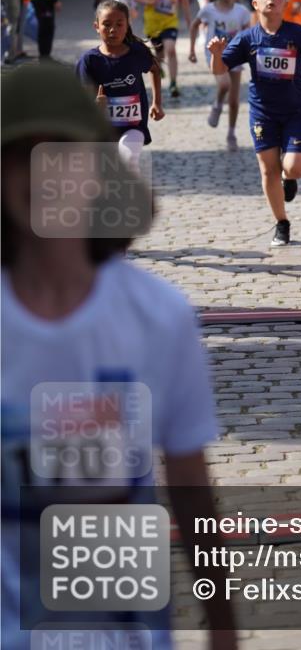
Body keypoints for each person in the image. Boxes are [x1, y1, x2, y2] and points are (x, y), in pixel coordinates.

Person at [0, 63, 236, 650]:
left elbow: (190, 483)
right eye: (20, 154)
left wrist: (223, 623)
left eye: (61, 153)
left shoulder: (159, 316)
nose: (42, 174)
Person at [208, 0, 301, 248]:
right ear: (255, 2)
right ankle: (282, 223)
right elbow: (219, 70)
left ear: (285, 1)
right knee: (268, 170)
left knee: (295, 167)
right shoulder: (247, 38)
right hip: (262, 114)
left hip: (295, 112)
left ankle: (290, 179)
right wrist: (217, 54)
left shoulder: (296, 33)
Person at [76, 0, 164, 171]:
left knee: (129, 160)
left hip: (133, 127)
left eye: (119, 24)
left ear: (127, 25)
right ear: (96, 27)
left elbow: (154, 69)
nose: (113, 30)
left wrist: (157, 103)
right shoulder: (89, 61)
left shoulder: (137, 52)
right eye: (106, 24)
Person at [188, 0, 250, 145]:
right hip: (215, 54)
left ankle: (231, 133)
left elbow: (248, 34)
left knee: (235, 101)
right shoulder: (209, 9)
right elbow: (194, 26)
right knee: (224, 84)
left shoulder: (242, 11)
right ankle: (217, 104)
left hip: (235, 55)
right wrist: (192, 50)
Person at [136, 0, 191, 99]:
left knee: (171, 49)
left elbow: (185, 4)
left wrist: (189, 21)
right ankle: (158, 70)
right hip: (152, 24)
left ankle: (173, 83)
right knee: (158, 54)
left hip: (170, 22)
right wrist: (150, 2)